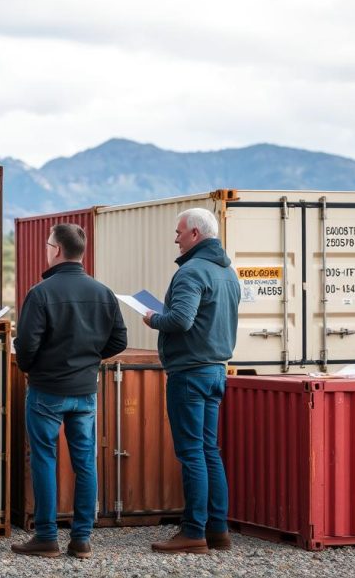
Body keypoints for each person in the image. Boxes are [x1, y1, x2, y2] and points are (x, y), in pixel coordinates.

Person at [12, 223, 128, 559]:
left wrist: (31, 366)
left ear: (56, 249)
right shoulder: (103, 292)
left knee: (45, 460)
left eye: (48, 244)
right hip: (85, 391)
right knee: (85, 463)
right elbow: (119, 340)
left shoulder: (41, 292)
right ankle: (81, 540)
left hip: (47, 390)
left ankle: (46, 537)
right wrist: (89, 360)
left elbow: (27, 346)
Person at [142, 208, 240, 554]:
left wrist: (153, 317)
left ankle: (193, 532)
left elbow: (180, 320)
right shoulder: (228, 272)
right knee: (210, 451)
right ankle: (218, 530)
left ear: (195, 234)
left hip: (189, 373)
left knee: (191, 453)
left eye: (179, 232)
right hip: (216, 371)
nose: (176, 237)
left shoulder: (191, 272)